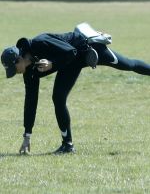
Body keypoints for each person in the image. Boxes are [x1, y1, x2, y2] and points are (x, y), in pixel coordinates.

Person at [1, 23, 150, 155]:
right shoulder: (30, 73)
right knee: (58, 98)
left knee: (129, 65)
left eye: (14, 69)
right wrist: (27, 136)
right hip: (69, 63)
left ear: (18, 59)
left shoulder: (40, 42)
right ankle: (67, 146)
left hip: (86, 49)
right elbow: (31, 102)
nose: (15, 73)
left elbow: (70, 51)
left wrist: (52, 63)